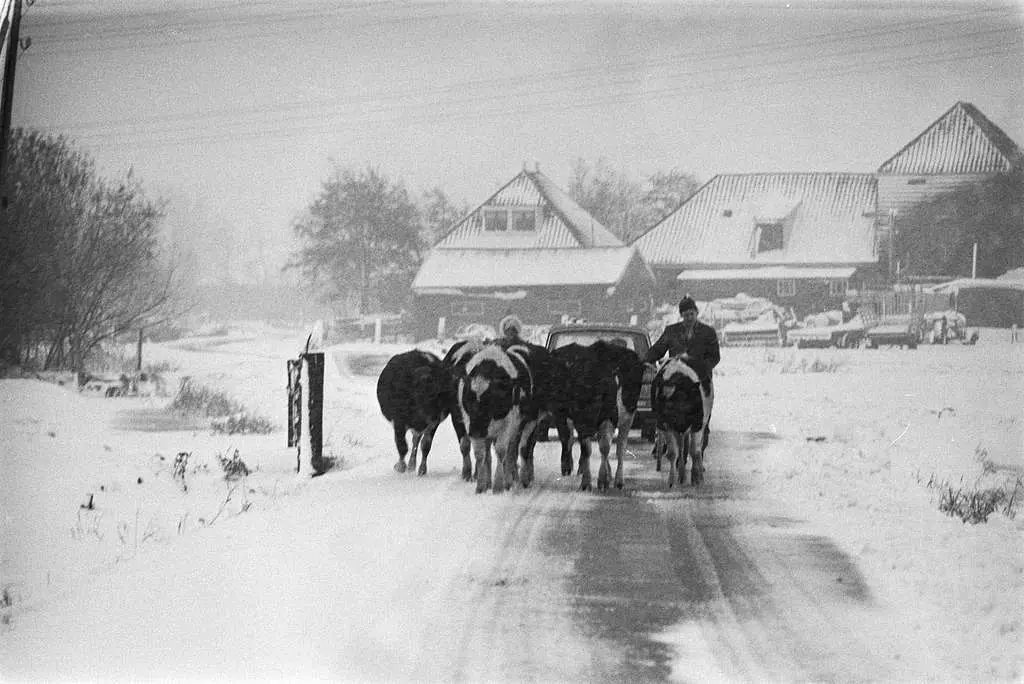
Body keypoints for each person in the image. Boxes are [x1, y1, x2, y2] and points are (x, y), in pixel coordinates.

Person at [644, 295, 721, 379]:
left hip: (701, 380)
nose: (690, 318)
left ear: (697, 313)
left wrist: (700, 366)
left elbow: (715, 357)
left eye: (692, 314)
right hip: (677, 379)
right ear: (681, 315)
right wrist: (646, 360)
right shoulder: (671, 331)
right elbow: (657, 350)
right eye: (686, 315)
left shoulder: (708, 332)